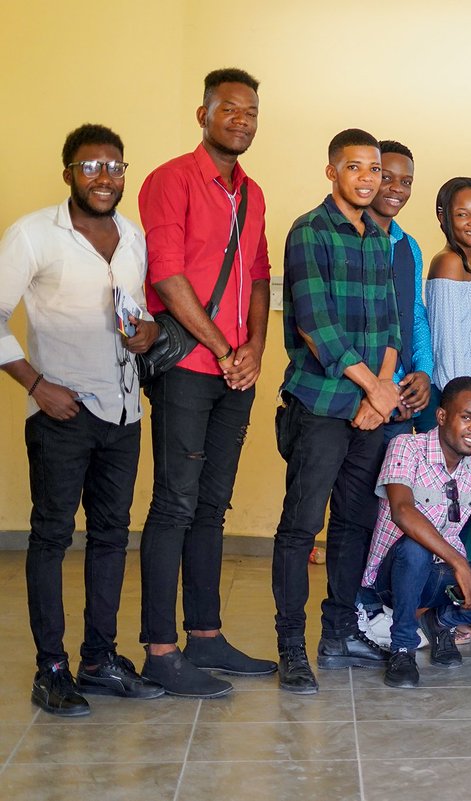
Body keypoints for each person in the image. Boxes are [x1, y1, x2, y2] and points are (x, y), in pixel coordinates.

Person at [0, 124, 164, 716]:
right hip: (62, 413)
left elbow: (134, 314)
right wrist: (36, 385)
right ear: (67, 171)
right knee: (50, 537)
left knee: (111, 537)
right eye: (91, 167)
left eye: (115, 167)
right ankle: (51, 670)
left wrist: (146, 331)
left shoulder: (133, 237)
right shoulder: (34, 235)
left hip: (123, 413)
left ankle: (98, 659)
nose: (105, 178)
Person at [137, 67, 275, 698]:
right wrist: (224, 348)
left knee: (212, 506)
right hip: (189, 369)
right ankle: (161, 653)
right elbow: (167, 276)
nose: (241, 119)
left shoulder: (253, 194)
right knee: (175, 503)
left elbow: (259, 276)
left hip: (233, 371)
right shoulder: (169, 180)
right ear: (203, 114)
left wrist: (254, 349)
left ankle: (206, 636)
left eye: (250, 111)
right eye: (229, 109)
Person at [272, 128, 401, 695]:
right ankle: (291, 647)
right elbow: (314, 326)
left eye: (375, 169)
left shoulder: (380, 238)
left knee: (355, 523)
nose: (368, 178)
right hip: (321, 405)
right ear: (332, 172)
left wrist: (383, 393)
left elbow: (392, 325)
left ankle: (338, 633)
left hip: (370, 409)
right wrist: (375, 389)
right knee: (302, 527)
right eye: (356, 168)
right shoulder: (309, 231)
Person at [361, 377, 471, 688]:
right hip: (393, 576)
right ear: (442, 417)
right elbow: (402, 511)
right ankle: (402, 647)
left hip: (441, 575)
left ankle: (440, 623)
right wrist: (461, 565)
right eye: (467, 417)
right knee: (417, 548)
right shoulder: (407, 447)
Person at [365, 140, 435, 438]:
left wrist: (423, 373)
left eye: (406, 181)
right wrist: (389, 387)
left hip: (400, 406)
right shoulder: (348, 240)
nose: (397, 188)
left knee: (394, 486)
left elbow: (415, 315)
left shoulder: (410, 247)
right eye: (387, 177)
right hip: (359, 398)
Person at [426, 177, 471, 394]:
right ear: (443, 217)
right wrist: (460, 405)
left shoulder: (468, 272)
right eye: (462, 214)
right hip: (458, 402)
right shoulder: (449, 262)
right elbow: (448, 350)